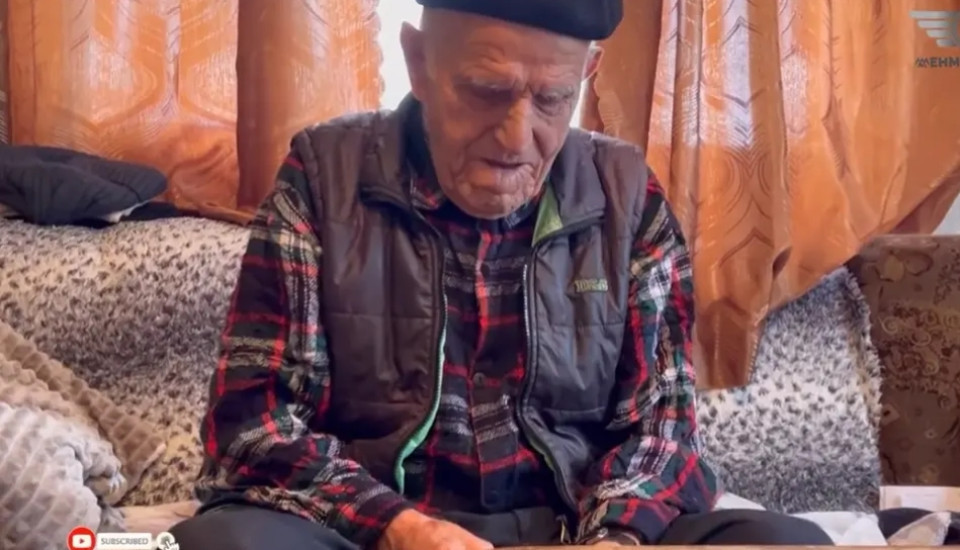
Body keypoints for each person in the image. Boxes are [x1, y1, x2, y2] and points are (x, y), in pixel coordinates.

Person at [171, 1, 834, 548]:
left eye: (552, 99)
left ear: (587, 75)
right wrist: (399, 528)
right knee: (222, 544)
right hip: (375, 527)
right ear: (418, 62)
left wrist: (617, 536)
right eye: (486, 92)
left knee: (787, 542)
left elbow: (665, 429)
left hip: (573, 525)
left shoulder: (628, 197)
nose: (517, 138)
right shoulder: (323, 180)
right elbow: (252, 426)